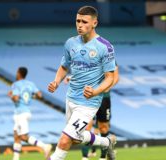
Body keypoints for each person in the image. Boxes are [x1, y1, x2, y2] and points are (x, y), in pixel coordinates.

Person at [47, 6, 117, 160]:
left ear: (94, 23)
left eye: (84, 21)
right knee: (76, 138)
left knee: (65, 140)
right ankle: (106, 142)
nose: (79, 25)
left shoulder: (104, 47)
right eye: (78, 21)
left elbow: (110, 78)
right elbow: (64, 66)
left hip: (88, 103)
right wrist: (56, 81)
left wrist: (96, 92)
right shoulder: (70, 43)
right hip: (71, 98)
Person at [8, 67, 52, 160]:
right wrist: (31, 96)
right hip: (26, 111)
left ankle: (44, 146)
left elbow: (15, 98)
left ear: (19, 73)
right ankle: (15, 158)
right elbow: (40, 94)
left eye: (17, 72)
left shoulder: (16, 84)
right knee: (16, 135)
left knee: (23, 137)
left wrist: (11, 96)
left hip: (21, 113)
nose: (16, 74)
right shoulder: (30, 84)